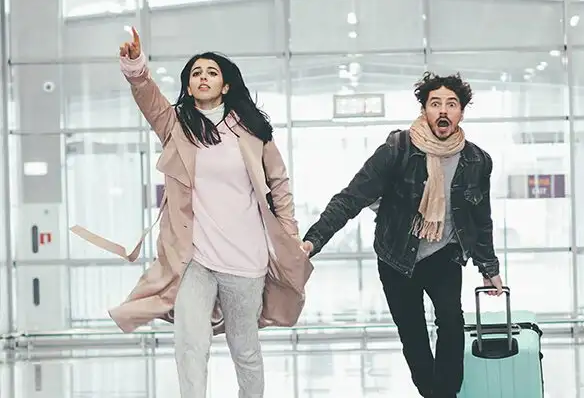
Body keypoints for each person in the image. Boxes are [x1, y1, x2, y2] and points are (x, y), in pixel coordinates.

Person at [72, 27, 312, 398]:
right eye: (196, 73)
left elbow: (279, 185)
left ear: (226, 85)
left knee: (244, 349)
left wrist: (291, 236)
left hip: (246, 260)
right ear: (187, 86)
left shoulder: (253, 131)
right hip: (193, 259)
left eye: (211, 72)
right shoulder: (177, 126)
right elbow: (149, 99)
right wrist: (136, 67)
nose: (203, 77)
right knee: (189, 344)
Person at [300, 72, 504, 398]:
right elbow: (351, 198)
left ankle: (447, 394)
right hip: (397, 257)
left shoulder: (476, 160)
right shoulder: (398, 149)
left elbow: (481, 219)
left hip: (444, 255)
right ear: (424, 109)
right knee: (413, 334)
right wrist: (313, 240)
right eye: (435, 103)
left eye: (451, 104)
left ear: (461, 112)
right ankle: (432, 392)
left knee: (451, 321)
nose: (443, 111)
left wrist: (489, 269)